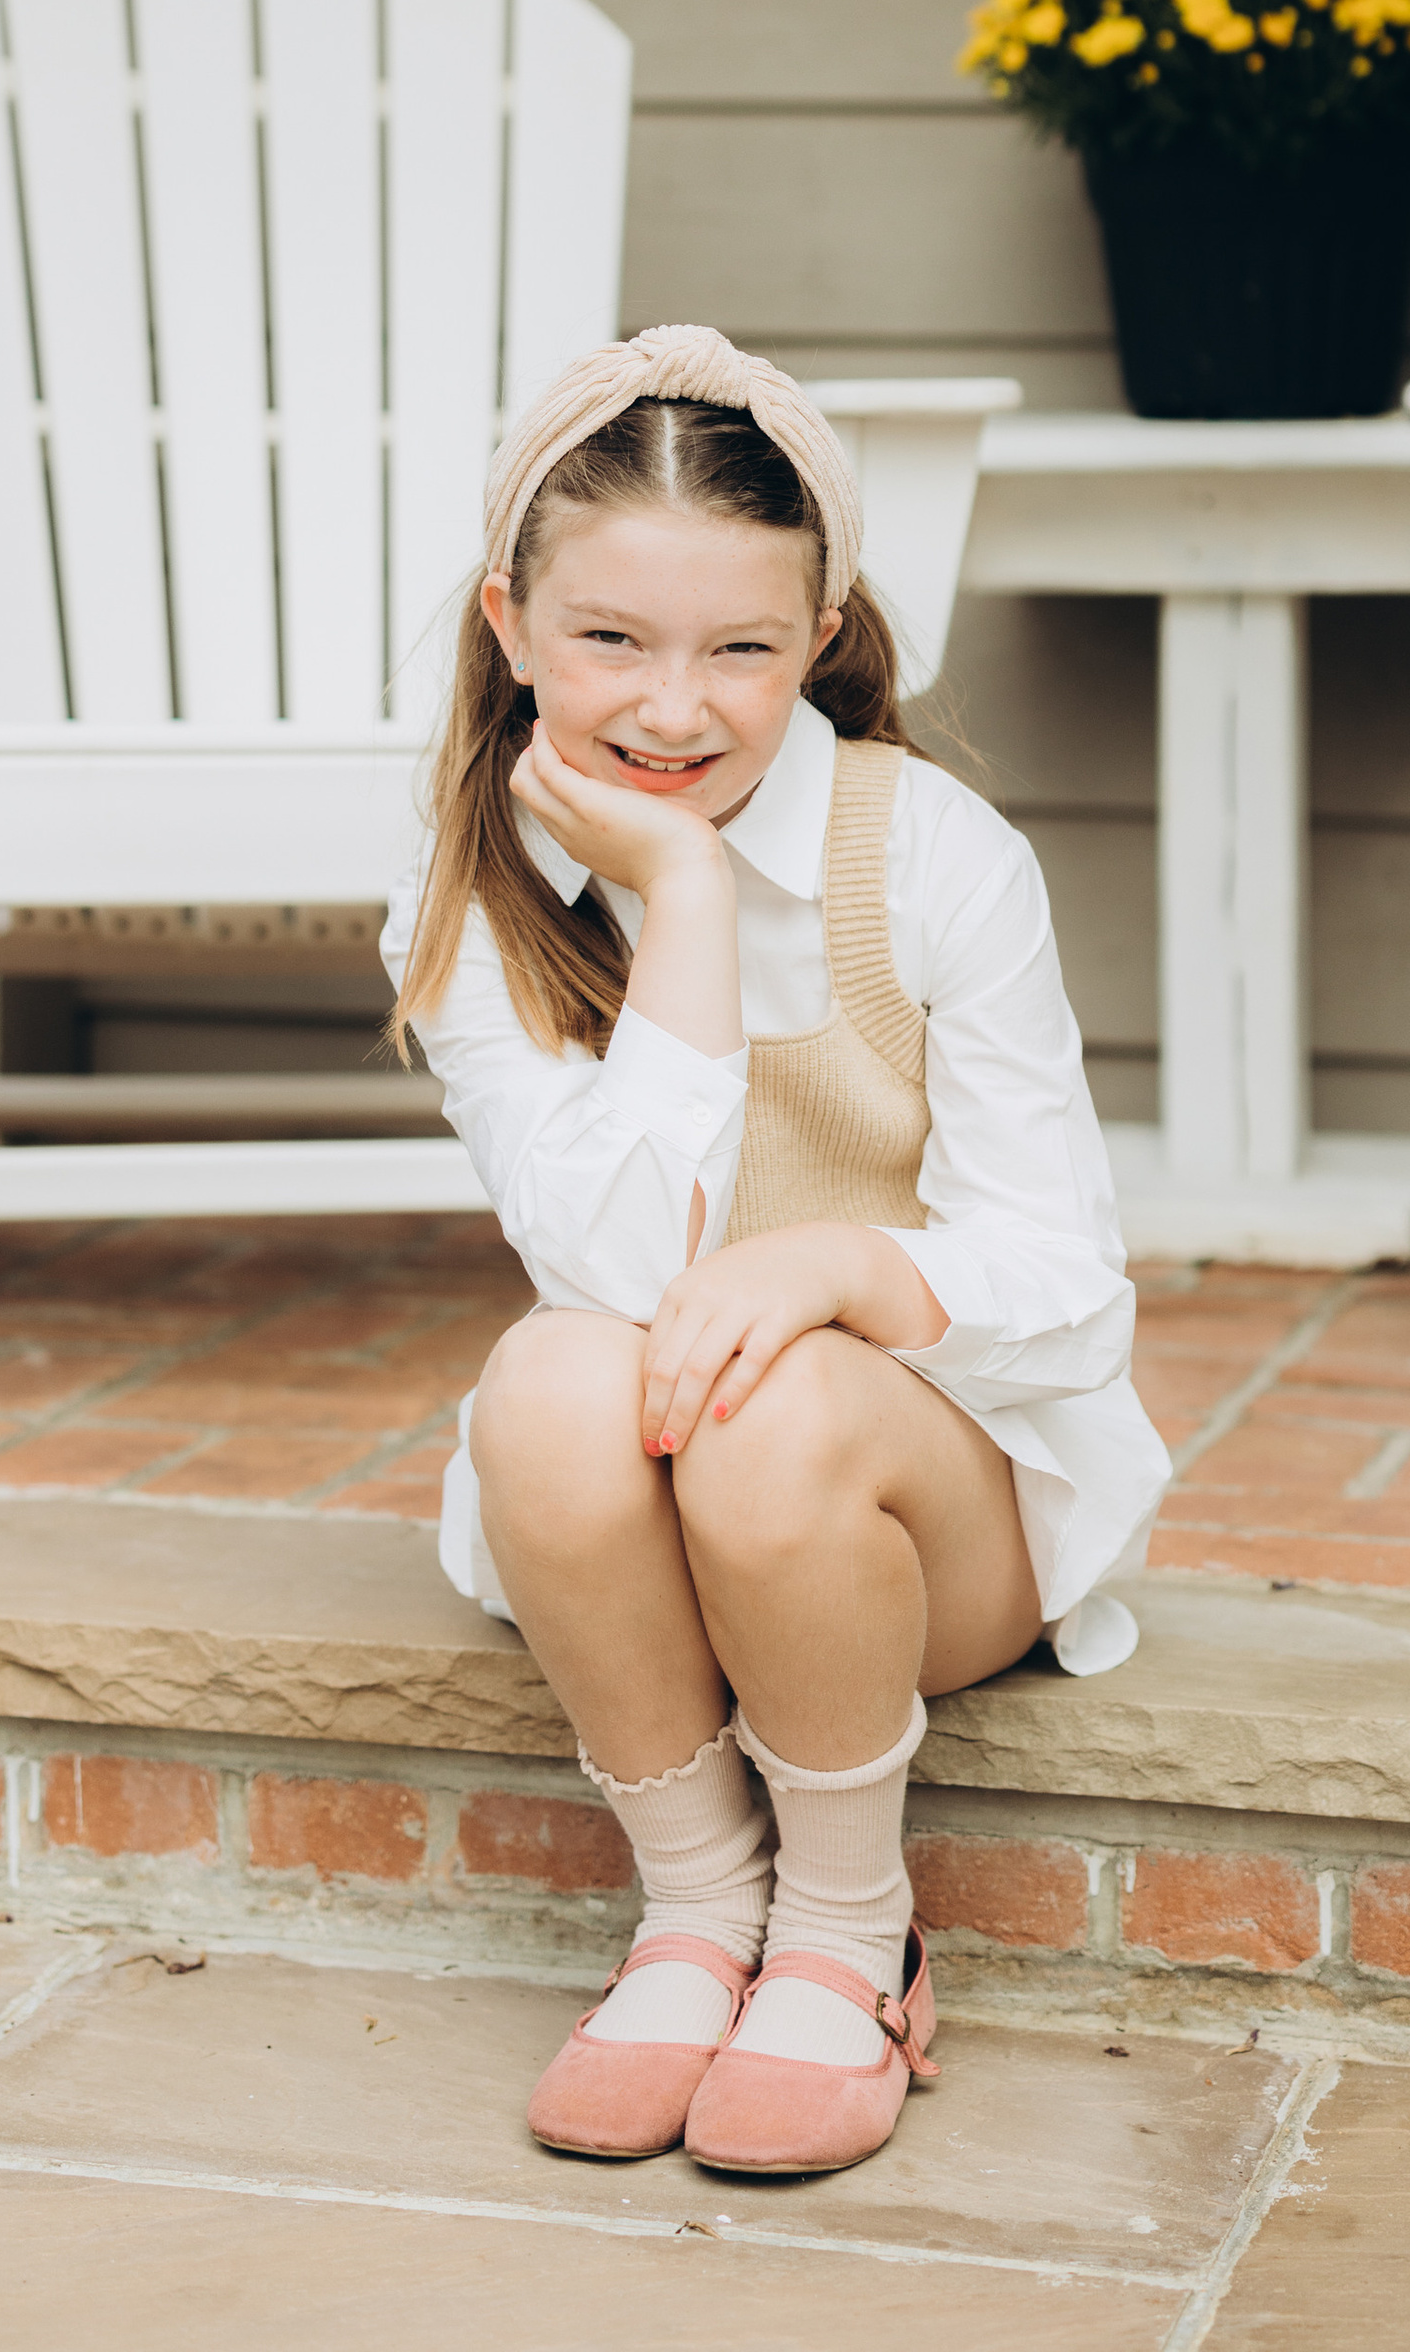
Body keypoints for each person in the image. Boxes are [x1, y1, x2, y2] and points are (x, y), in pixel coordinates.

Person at [384, 323, 1168, 2179]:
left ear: (821, 635)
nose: (673, 711)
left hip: (906, 1519)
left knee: (779, 1406)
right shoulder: (483, 883)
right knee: (544, 1376)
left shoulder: (939, 860)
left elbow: (1068, 1284)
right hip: (645, 1505)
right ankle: (694, 1907)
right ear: (510, 622)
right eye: (611, 643)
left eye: (741, 647)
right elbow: (604, 1258)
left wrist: (831, 1273)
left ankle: (843, 1927)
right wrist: (682, 898)